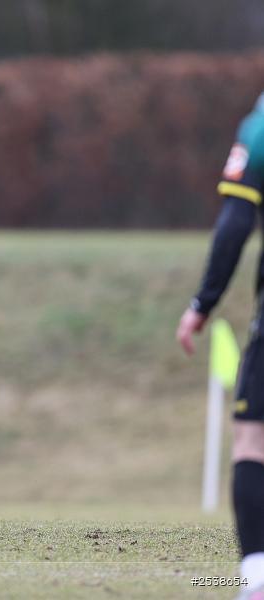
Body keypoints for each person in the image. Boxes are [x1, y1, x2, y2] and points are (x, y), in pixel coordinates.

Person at [177, 92, 264, 598]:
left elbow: (236, 222)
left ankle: (255, 577)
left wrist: (202, 304)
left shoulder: (259, 127)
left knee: (253, 439)